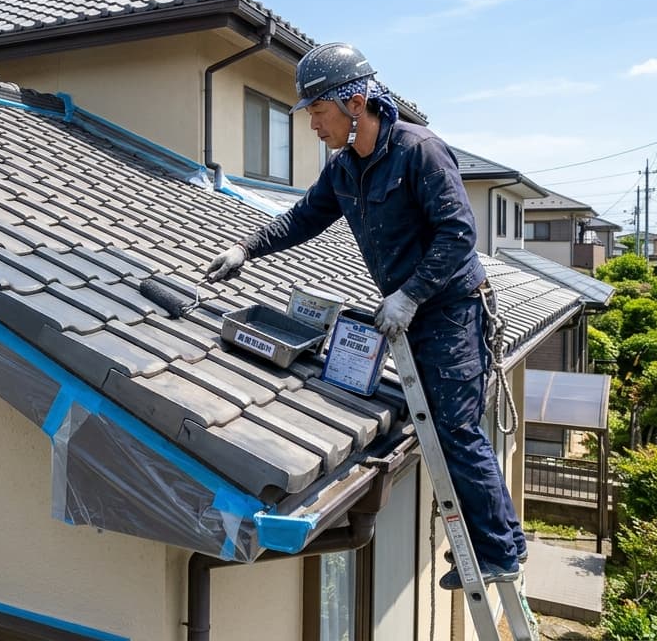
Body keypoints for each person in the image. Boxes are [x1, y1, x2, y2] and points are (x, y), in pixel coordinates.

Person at [204, 42, 527, 589]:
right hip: (411, 313)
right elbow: (303, 219)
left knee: (455, 428)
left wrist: (409, 295)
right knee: (439, 432)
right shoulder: (345, 170)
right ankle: (503, 541)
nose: (312, 125)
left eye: (317, 111)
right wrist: (246, 249)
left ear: (355, 104)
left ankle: (497, 552)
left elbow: (458, 236)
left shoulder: (418, 151)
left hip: (448, 311)